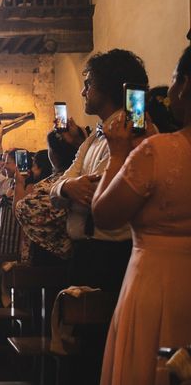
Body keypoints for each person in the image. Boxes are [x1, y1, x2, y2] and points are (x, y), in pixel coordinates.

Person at [93, 46, 191, 385]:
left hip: (156, 282)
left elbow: (105, 214)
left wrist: (119, 152)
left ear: (184, 88)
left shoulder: (156, 151)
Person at [50, 49, 149, 295]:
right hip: (84, 252)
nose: (83, 92)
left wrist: (74, 192)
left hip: (111, 255)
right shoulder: (93, 138)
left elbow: (100, 198)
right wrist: (67, 187)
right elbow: (56, 190)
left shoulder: (132, 137)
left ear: (107, 88)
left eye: (89, 84)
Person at [15, 131, 81, 265]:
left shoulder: (52, 185)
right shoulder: (82, 176)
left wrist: (19, 184)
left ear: (54, 155)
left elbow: (21, 209)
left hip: (51, 258)